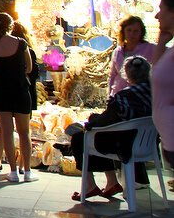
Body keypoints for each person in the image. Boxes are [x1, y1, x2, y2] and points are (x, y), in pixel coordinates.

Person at [57, 56, 153, 200]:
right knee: (100, 135)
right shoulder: (154, 94)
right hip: (147, 144)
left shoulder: (125, 96)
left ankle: (90, 185)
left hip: (125, 145)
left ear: (127, 75)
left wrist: (91, 122)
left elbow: (106, 120)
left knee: (81, 138)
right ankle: (111, 183)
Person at [0, 12, 35, 183]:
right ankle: (27, 171)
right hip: (20, 89)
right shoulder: (21, 43)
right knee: (24, 132)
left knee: (6, 132)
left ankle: (12, 171)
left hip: (1, 90)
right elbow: (28, 67)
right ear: (11, 26)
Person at [151, 0, 174, 191]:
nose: (157, 15)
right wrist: (160, 41)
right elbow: (155, 73)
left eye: (161, 9)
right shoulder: (170, 50)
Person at [109, 16, 157, 95]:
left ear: (141, 32)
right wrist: (110, 97)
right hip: (119, 97)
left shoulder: (151, 48)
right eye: (129, 30)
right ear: (123, 32)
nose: (132, 34)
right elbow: (112, 76)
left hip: (141, 97)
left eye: (136, 31)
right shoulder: (118, 52)